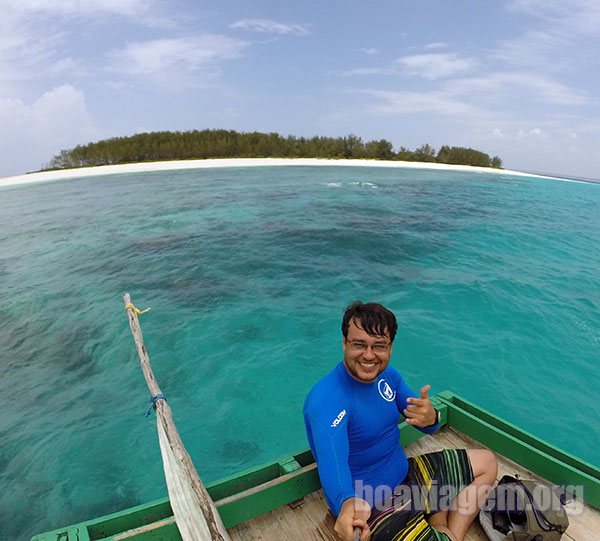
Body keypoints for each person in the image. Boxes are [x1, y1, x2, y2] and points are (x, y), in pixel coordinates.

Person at [303, 301, 497, 541]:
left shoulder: (388, 376)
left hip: (407, 476)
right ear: (344, 343)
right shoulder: (327, 400)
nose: (369, 355)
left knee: (487, 462)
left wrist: (431, 416)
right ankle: (436, 515)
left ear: (390, 348)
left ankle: (451, 533)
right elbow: (333, 465)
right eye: (359, 345)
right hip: (371, 505)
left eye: (379, 346)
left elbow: (425, 420)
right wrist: (346, 504)